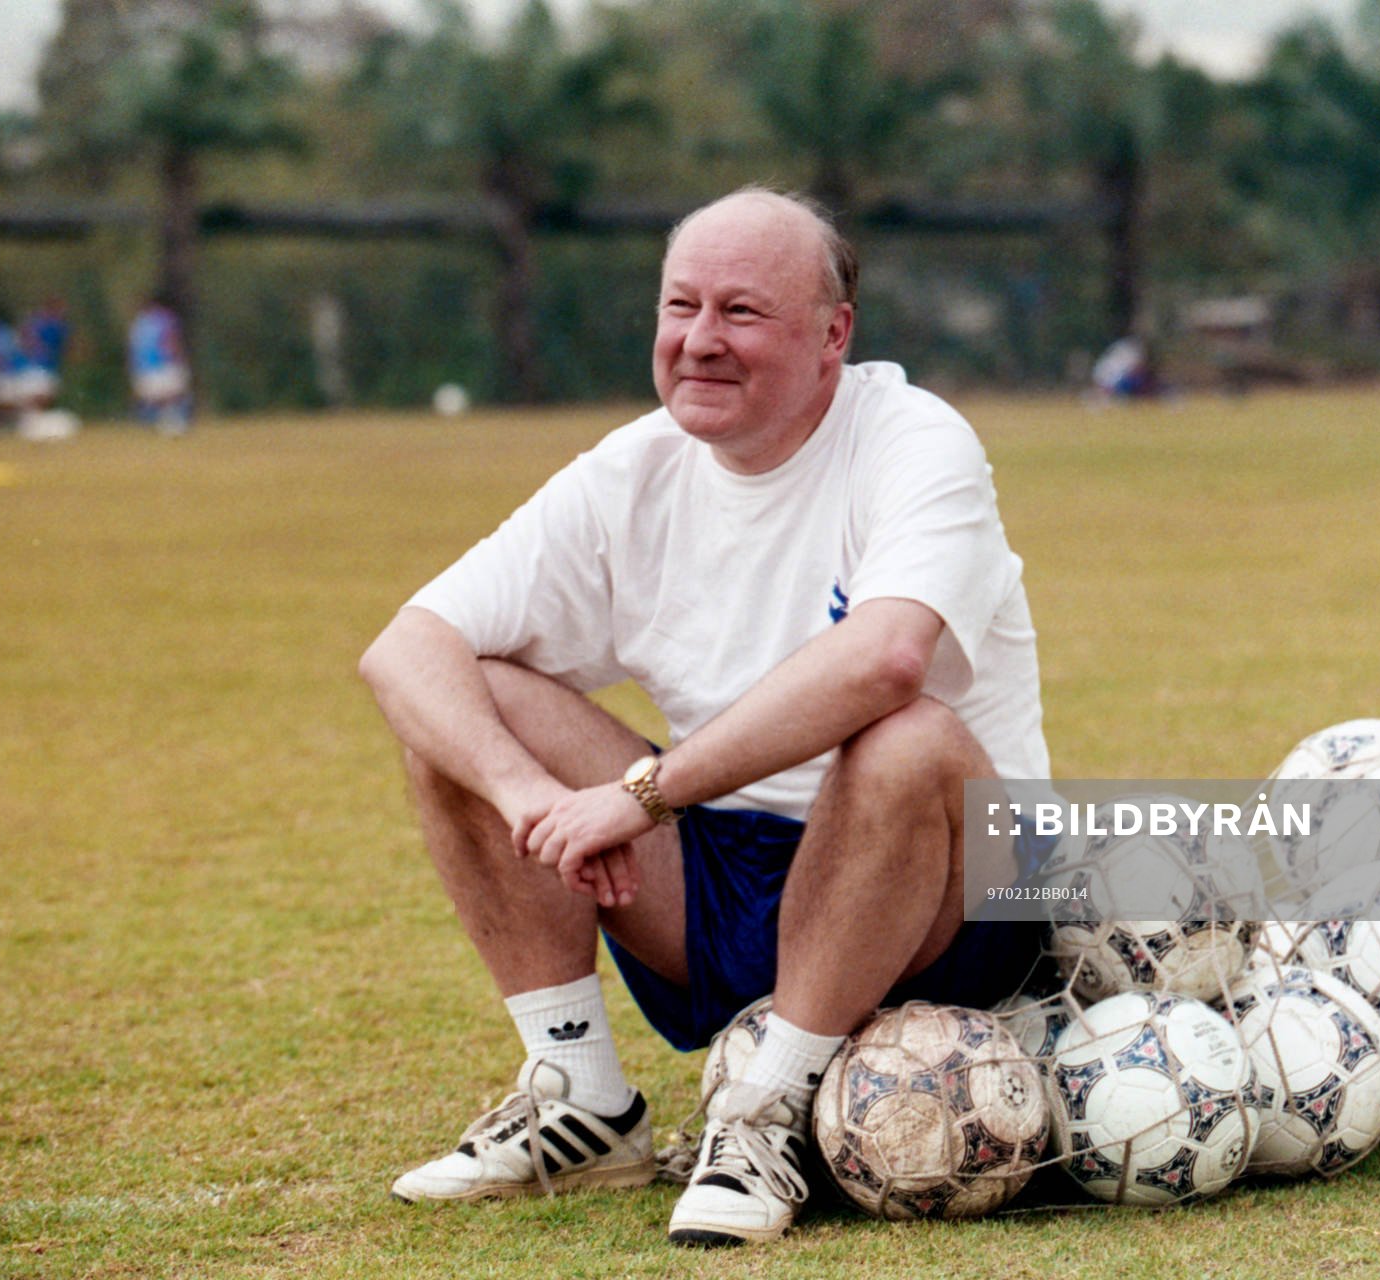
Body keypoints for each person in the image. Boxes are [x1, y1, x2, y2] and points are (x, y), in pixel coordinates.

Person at [358, 187, 1049, 1247]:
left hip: (957, 897)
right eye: (681, 307)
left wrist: (640, 792)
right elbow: (403, 647)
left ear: (833, 334)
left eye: (741, 312)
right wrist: (534, 799)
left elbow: (887, 657)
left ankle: (764, 1108)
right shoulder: (631, 471)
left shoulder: (911, 438)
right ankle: (581, 1093)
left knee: (907, 739)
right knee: (467, 699)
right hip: (723, 881)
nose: (700, 342)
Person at [128, 297, 191, 434]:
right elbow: (171, 343)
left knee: (156, 400)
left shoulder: (137, 324)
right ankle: (171, 420)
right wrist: (181, 360)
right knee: (179, 391)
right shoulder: (165, 319)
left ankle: (156, 420)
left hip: (142, 376)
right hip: (163, 371)